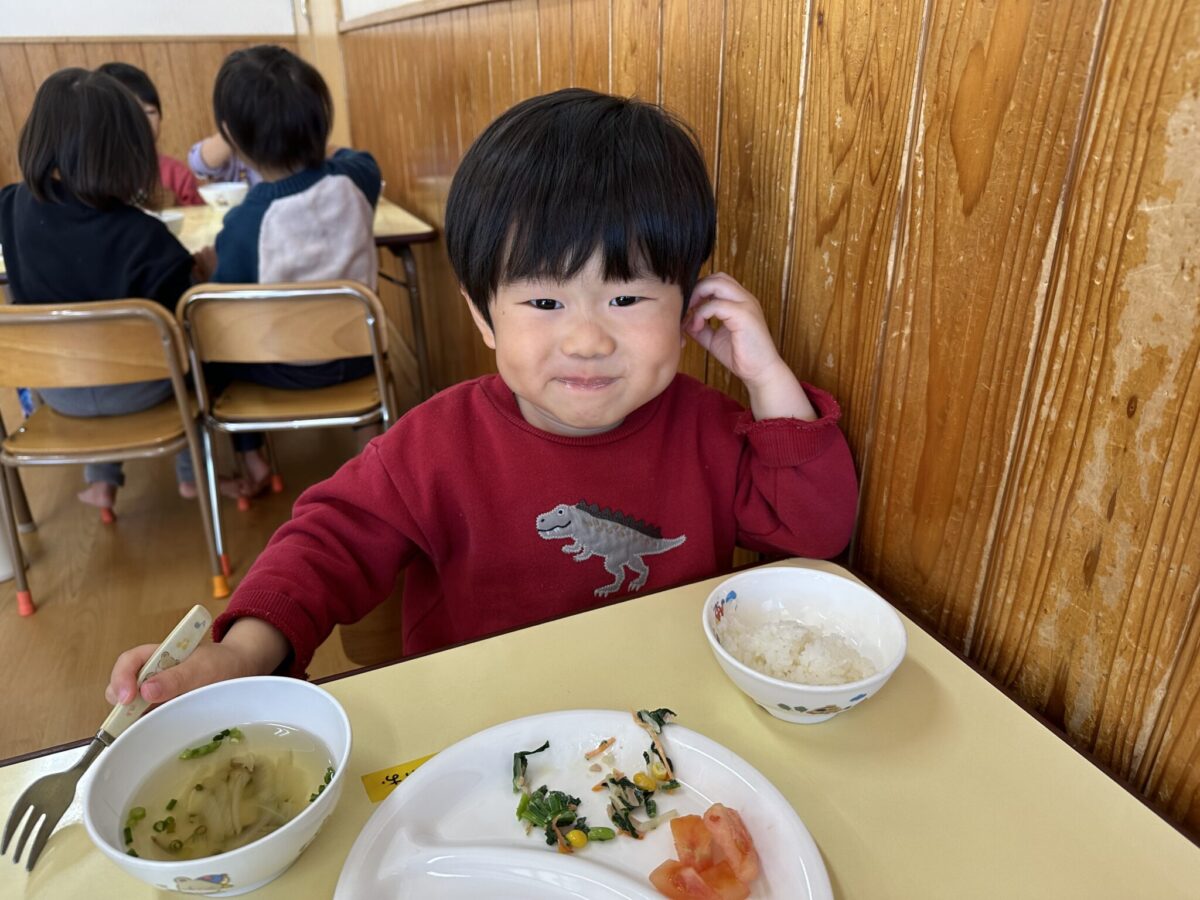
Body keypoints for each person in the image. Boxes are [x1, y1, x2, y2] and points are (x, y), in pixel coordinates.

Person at [106, 88, 859, 708]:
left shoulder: (710, 429)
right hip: (480, 731)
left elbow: (814, 534)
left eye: (627, 298)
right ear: (483, 315)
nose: (587, 340)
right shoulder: (434, 446)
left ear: (690, 302)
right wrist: (241, 653)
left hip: (667, 726)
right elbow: (324, 545)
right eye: (544, 303)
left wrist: (766, 378)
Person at [0, 68, 213, 512]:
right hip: (143, 390)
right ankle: (195, 475)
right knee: (193, 346)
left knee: (87, 342)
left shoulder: (10, 208)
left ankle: (102, 482)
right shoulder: (146, 237)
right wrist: (204, 273)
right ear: (128, 150)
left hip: (56, 387)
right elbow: (184, 320)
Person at [197, 44, 383, 497]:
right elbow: (357, 158)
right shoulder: (358, 179)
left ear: (232, 137)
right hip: (363, 359)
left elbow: (223, 308)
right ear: (321, 121)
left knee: (214, 346)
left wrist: (211, 267)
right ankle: (369, 444)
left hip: (280, 369)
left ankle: (252, 458)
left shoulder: (245, 223)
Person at [96, 62, 203, 207]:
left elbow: (199, 216)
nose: (142, 122)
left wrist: (175, 205)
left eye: (150, 112)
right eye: (130, 114)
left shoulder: (176, 174)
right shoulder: (92, 178)